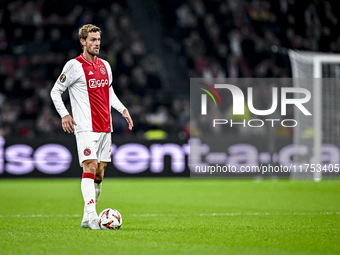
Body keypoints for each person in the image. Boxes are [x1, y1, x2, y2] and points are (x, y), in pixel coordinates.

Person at [50, 24, 133, 230]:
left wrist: (122, 109)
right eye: (92, 40)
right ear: (83, 42)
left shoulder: (105, 65)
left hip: (106, 126)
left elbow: (109, 91)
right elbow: (55, 91)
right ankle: (92, 215)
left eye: (98, 39)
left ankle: (87, 220)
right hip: (85, 126)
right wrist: (65, 115)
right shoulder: (74, 66)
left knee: (99, 173)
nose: (96, 43)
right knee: (89, 166)